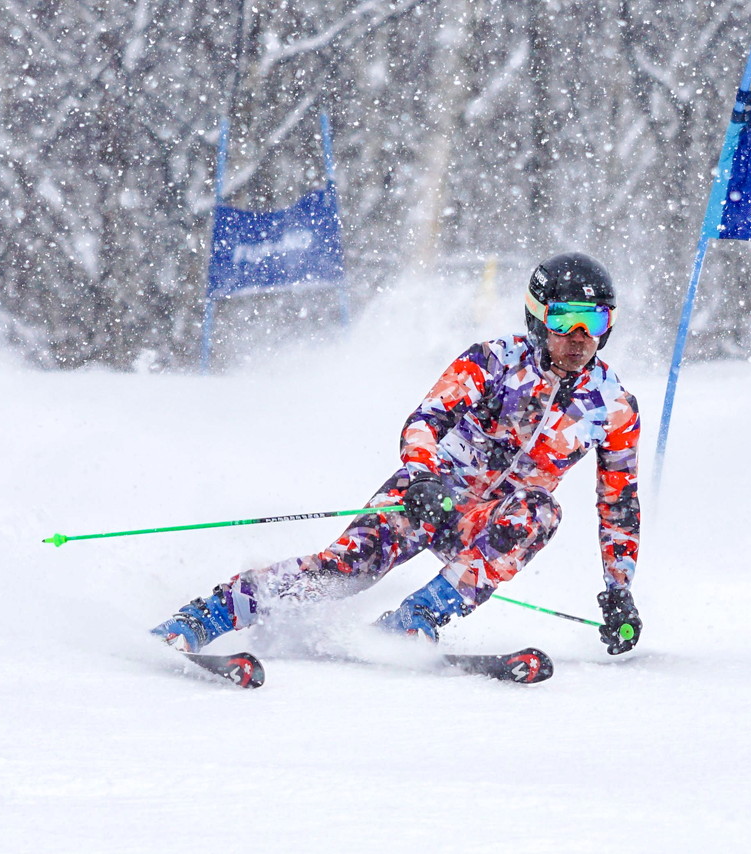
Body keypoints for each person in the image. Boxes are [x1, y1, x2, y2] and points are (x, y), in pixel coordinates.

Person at [152, 252, 642, 657]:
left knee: (541, 511)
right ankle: (209, 614)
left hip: (488, 523)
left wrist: (620, 590)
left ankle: (414, 622)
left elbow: (619, 504)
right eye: (564, 318)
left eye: (594, 320)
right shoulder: (494, 360)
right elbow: (428, 419)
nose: (579, 335)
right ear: (537, 317)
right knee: (347, 570)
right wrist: (422, 476)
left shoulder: (612, 405)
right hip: (430, 495)